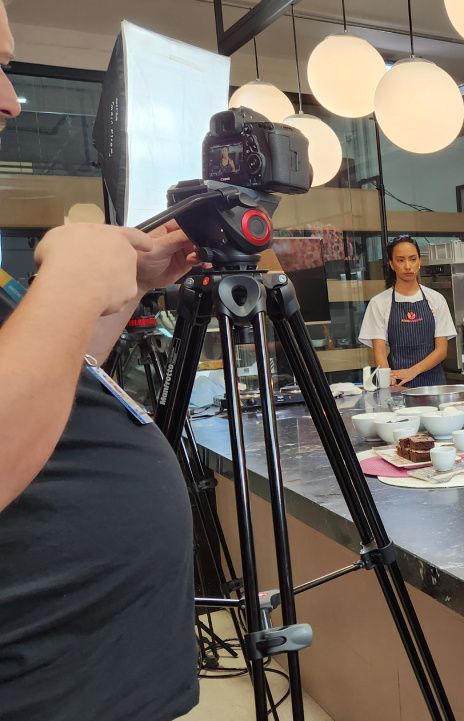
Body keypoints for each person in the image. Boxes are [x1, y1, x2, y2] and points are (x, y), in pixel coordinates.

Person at [0, 11, 203, 720]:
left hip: (102, 681)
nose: (11, 101)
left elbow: (50, 379)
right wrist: (75, 280)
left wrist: (131, 288)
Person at [358, 236, 456, 388]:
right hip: (397, 384)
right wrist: (388, 382)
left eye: (412, 259)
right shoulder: (379, 303)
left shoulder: (436, 299)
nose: (408, 266)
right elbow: (379, 351)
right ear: (391, 264)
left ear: (420, 261)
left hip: (434, 386)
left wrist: (412, 371)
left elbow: (442, 350)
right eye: (400, 260)